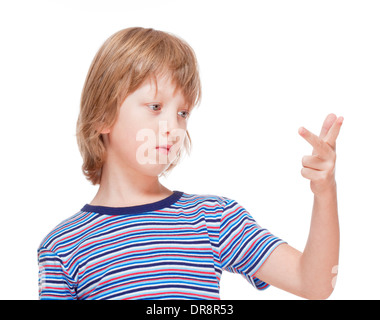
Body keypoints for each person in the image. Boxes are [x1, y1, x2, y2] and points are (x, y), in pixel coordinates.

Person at [37, 27, 343, 300]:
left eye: (183, 113)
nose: (173, 126)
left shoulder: (214, 218)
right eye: (155, 107)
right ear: (103, 116)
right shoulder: (62, 246)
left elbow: (313, 284)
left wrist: (324, 191)